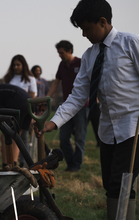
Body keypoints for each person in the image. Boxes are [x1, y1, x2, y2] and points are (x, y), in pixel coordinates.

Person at [36, 0, 139, 219]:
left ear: (102, 22)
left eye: (86, 28)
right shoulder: (89, 56)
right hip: (107, 131)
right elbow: (77, 96)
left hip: (134, 128)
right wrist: (53, 122)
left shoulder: (131, 43)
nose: (83, 34)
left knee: (121, 184)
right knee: (111, 185)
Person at [46, 40, 88, 172]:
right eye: (58, 53)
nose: (60, 55)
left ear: (70, 51)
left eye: (62, 52)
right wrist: (47, 98)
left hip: (82, 106)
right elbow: (55, 83)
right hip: (66, 107)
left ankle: (77, 166)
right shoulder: (62, 65)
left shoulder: (81, 63)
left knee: (79, 138)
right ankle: (70, 164)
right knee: (63, 137)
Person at [3, 55, 37, 167]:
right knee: (9, 137)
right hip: (10, 112)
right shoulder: (9, 79)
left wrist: (32, 116)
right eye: (14, 65)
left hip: (24, 113)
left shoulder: (30, 80)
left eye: (18, 65)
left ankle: (24, 163)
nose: (16, 67)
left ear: (23, 65)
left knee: (23, 138)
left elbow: (32, 98)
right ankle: (10, 162)